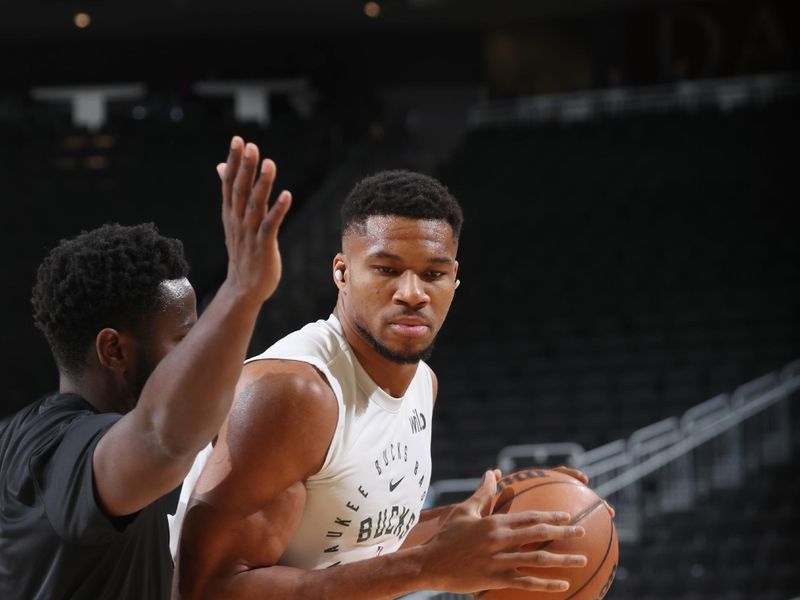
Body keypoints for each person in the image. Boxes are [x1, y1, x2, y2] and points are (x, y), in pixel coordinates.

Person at [173, 170, 590, 599]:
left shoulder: (423, 384)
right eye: (386, 269)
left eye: (433, 274)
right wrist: (425, 568)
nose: (412, 293)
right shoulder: (293, 393)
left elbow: (359, 545)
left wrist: (494, 519)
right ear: (342, 272)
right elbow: (206, 590)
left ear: (454, 279)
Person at [0, 136, 291, 600]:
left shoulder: (17, 435)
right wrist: (241, 292)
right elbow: (164, 437)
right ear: (114, 351)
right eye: (183, 338)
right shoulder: (67, 452)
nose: (198, 349)